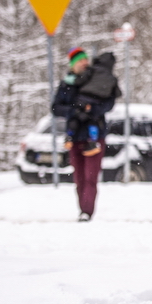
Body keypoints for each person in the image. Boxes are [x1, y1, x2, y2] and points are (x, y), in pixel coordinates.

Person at [52, 47, 120, 222]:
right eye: (80, 60)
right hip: (74, 135)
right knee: (79, 177)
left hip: (95, 135)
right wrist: (75, 110)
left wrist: (91, 110)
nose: (84, 62)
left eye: (85, 59)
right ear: (73, 64)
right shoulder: (67, 84)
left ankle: (86, 212)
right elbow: (55, 108)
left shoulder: (97, 78)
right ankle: (82, 208)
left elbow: (108, 103)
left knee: (91, 176)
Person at [63, 51, 121, 157]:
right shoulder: (112, 78)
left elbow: (81, 80)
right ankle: (93, 141)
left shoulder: (93, 70)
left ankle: (69, 136)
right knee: (92, 120)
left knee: (75, 118)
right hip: (97, 101)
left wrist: (72, 81)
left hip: (83, 97)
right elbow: (117, 94)